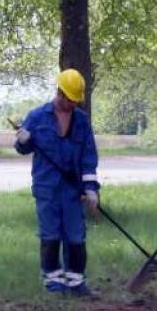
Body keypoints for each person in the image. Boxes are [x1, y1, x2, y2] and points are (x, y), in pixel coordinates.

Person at [14, 68, 100, 296]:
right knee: (50, 235)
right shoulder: (37, 117)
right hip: (47, 189)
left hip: (73, 190)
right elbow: (22, 149)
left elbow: (88, 155)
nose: (72, 104)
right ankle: (53, 282)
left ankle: (76, 282)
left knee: (75, 236)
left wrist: (91, 189)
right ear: (59, 92)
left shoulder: (81, 121)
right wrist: (23, 141)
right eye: (69, 99)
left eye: (75, 101)